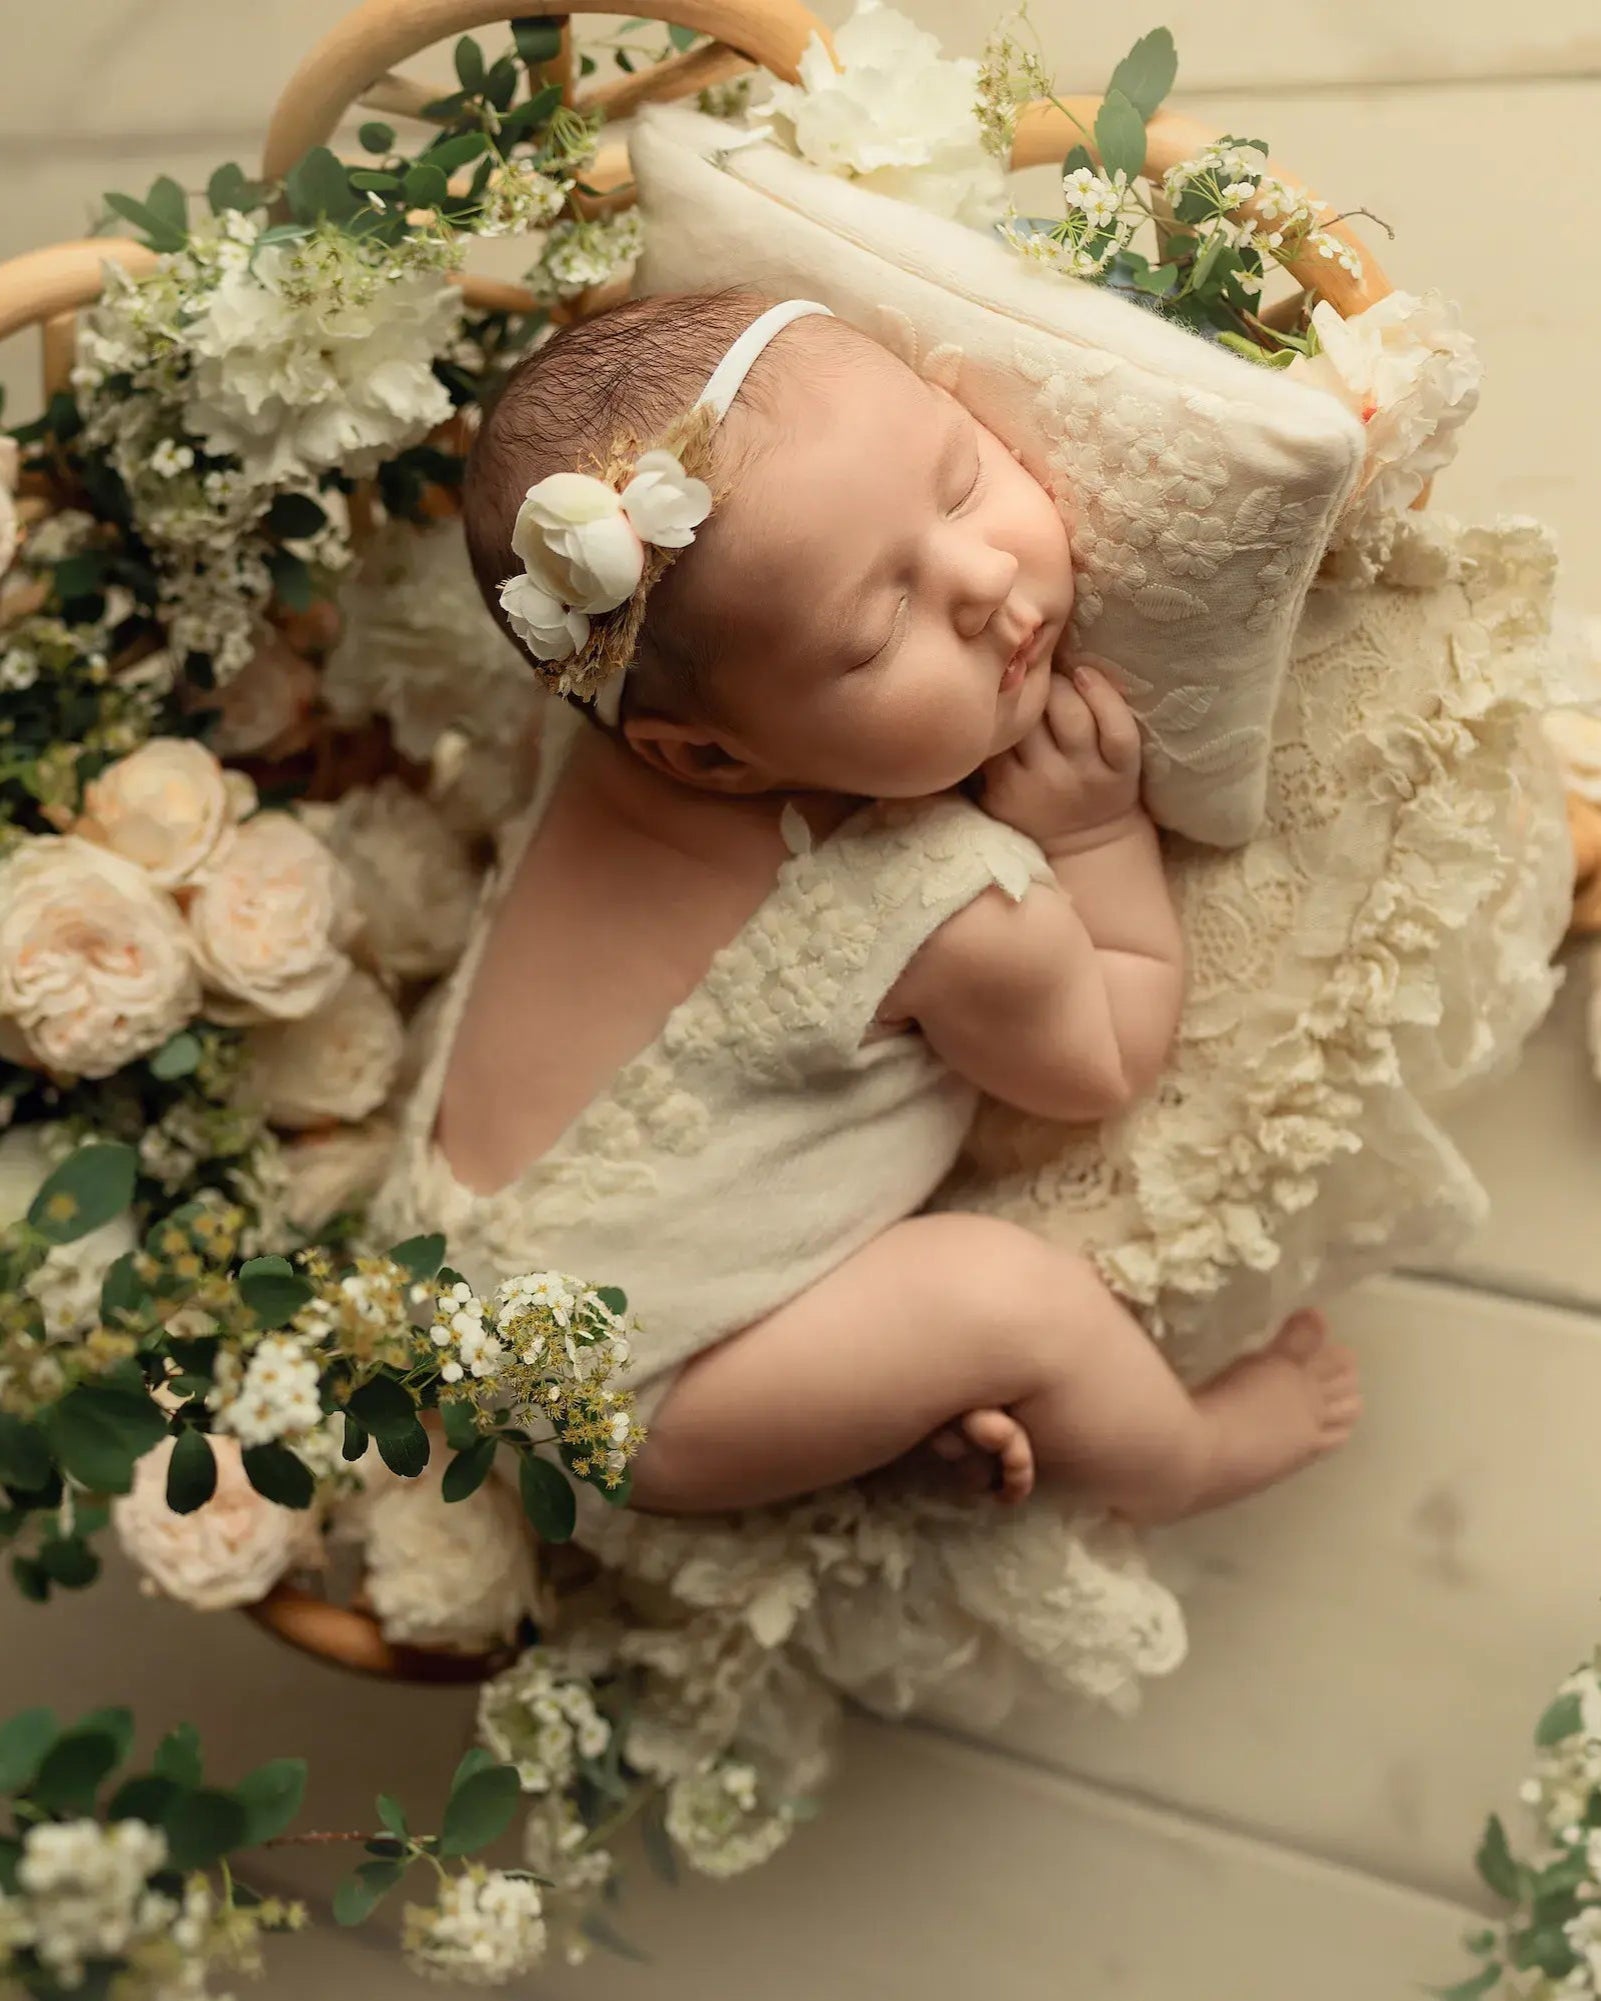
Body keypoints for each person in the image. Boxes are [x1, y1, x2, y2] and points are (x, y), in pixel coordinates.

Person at [378, 289, 1360, 1521]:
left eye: (956, 482)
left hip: (436, 1262)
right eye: (880, 622)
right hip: (648, 1396)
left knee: (898, 1324)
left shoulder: (598, 749)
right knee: (1001, 1298)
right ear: (709, 756)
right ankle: (1183, 1460)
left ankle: (872, 1423)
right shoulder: (939, 908)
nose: (984, 575)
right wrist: (1097, 836)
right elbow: (1101, 1060)